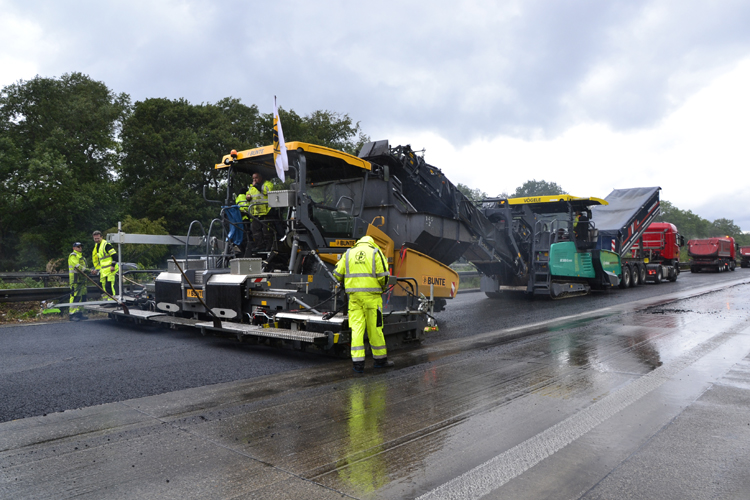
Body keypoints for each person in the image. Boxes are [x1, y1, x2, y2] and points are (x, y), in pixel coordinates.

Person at [333, 235, 394, 373]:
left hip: (354, 299)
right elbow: (384, 276)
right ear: (372, 242)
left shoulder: (349, 253)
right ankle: (379, 361)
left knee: (357, 330)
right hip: (372, 299)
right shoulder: (375, 252)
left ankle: (358, 365)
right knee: (375, 329)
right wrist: (382, 289)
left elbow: (337, 274)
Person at [247, 172, 276, 253]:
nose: (254, 180)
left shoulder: (268, 184)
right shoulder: (251, 187)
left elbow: (267, 192)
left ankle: (269, 247)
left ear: (260, 178)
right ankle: (260, 246)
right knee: (255, 231)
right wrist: (247, 197)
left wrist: (257, 186)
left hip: (266, 212)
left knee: (267, 232)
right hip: (255, 213)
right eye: (253, 178)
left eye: (256, 178)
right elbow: (248, 194)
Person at [91, 230, 119, 299]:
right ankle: (106, 300)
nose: (96, 240)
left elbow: (115, 256)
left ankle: (114, 301)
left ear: (101, 237)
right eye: (95, 239)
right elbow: (98, 259)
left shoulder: (106, 245)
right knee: (102, 285)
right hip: (104, 270)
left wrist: (112, 266)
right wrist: (97, 269)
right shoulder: (97, 246)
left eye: (98, 238)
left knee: (110, 286)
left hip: (110, 269)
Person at [68, 242, 89, 321]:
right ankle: (72, 314)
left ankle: (79, 313)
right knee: (75, 297)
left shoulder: (82, 257)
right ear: (74, 248)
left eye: (80, 246)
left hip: (82, 280)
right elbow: (77, 267)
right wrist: (89, 271)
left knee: (82, 297)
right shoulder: (73, 255)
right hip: (75, 280)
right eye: (78, 247)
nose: (80, 248)